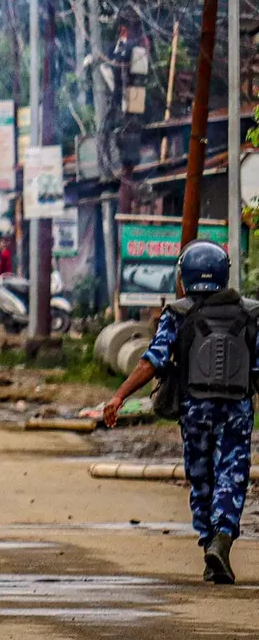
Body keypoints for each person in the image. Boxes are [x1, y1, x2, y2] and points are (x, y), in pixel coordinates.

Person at [103, 240, 258, 585]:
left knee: (201, 478)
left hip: (195, 410)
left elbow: (151, 362)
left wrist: (118, 397)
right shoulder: (250, 312)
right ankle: (222, 539)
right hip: (237, 409)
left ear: (184, 276)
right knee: (233, 475)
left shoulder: (178, 313)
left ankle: (209, 545)